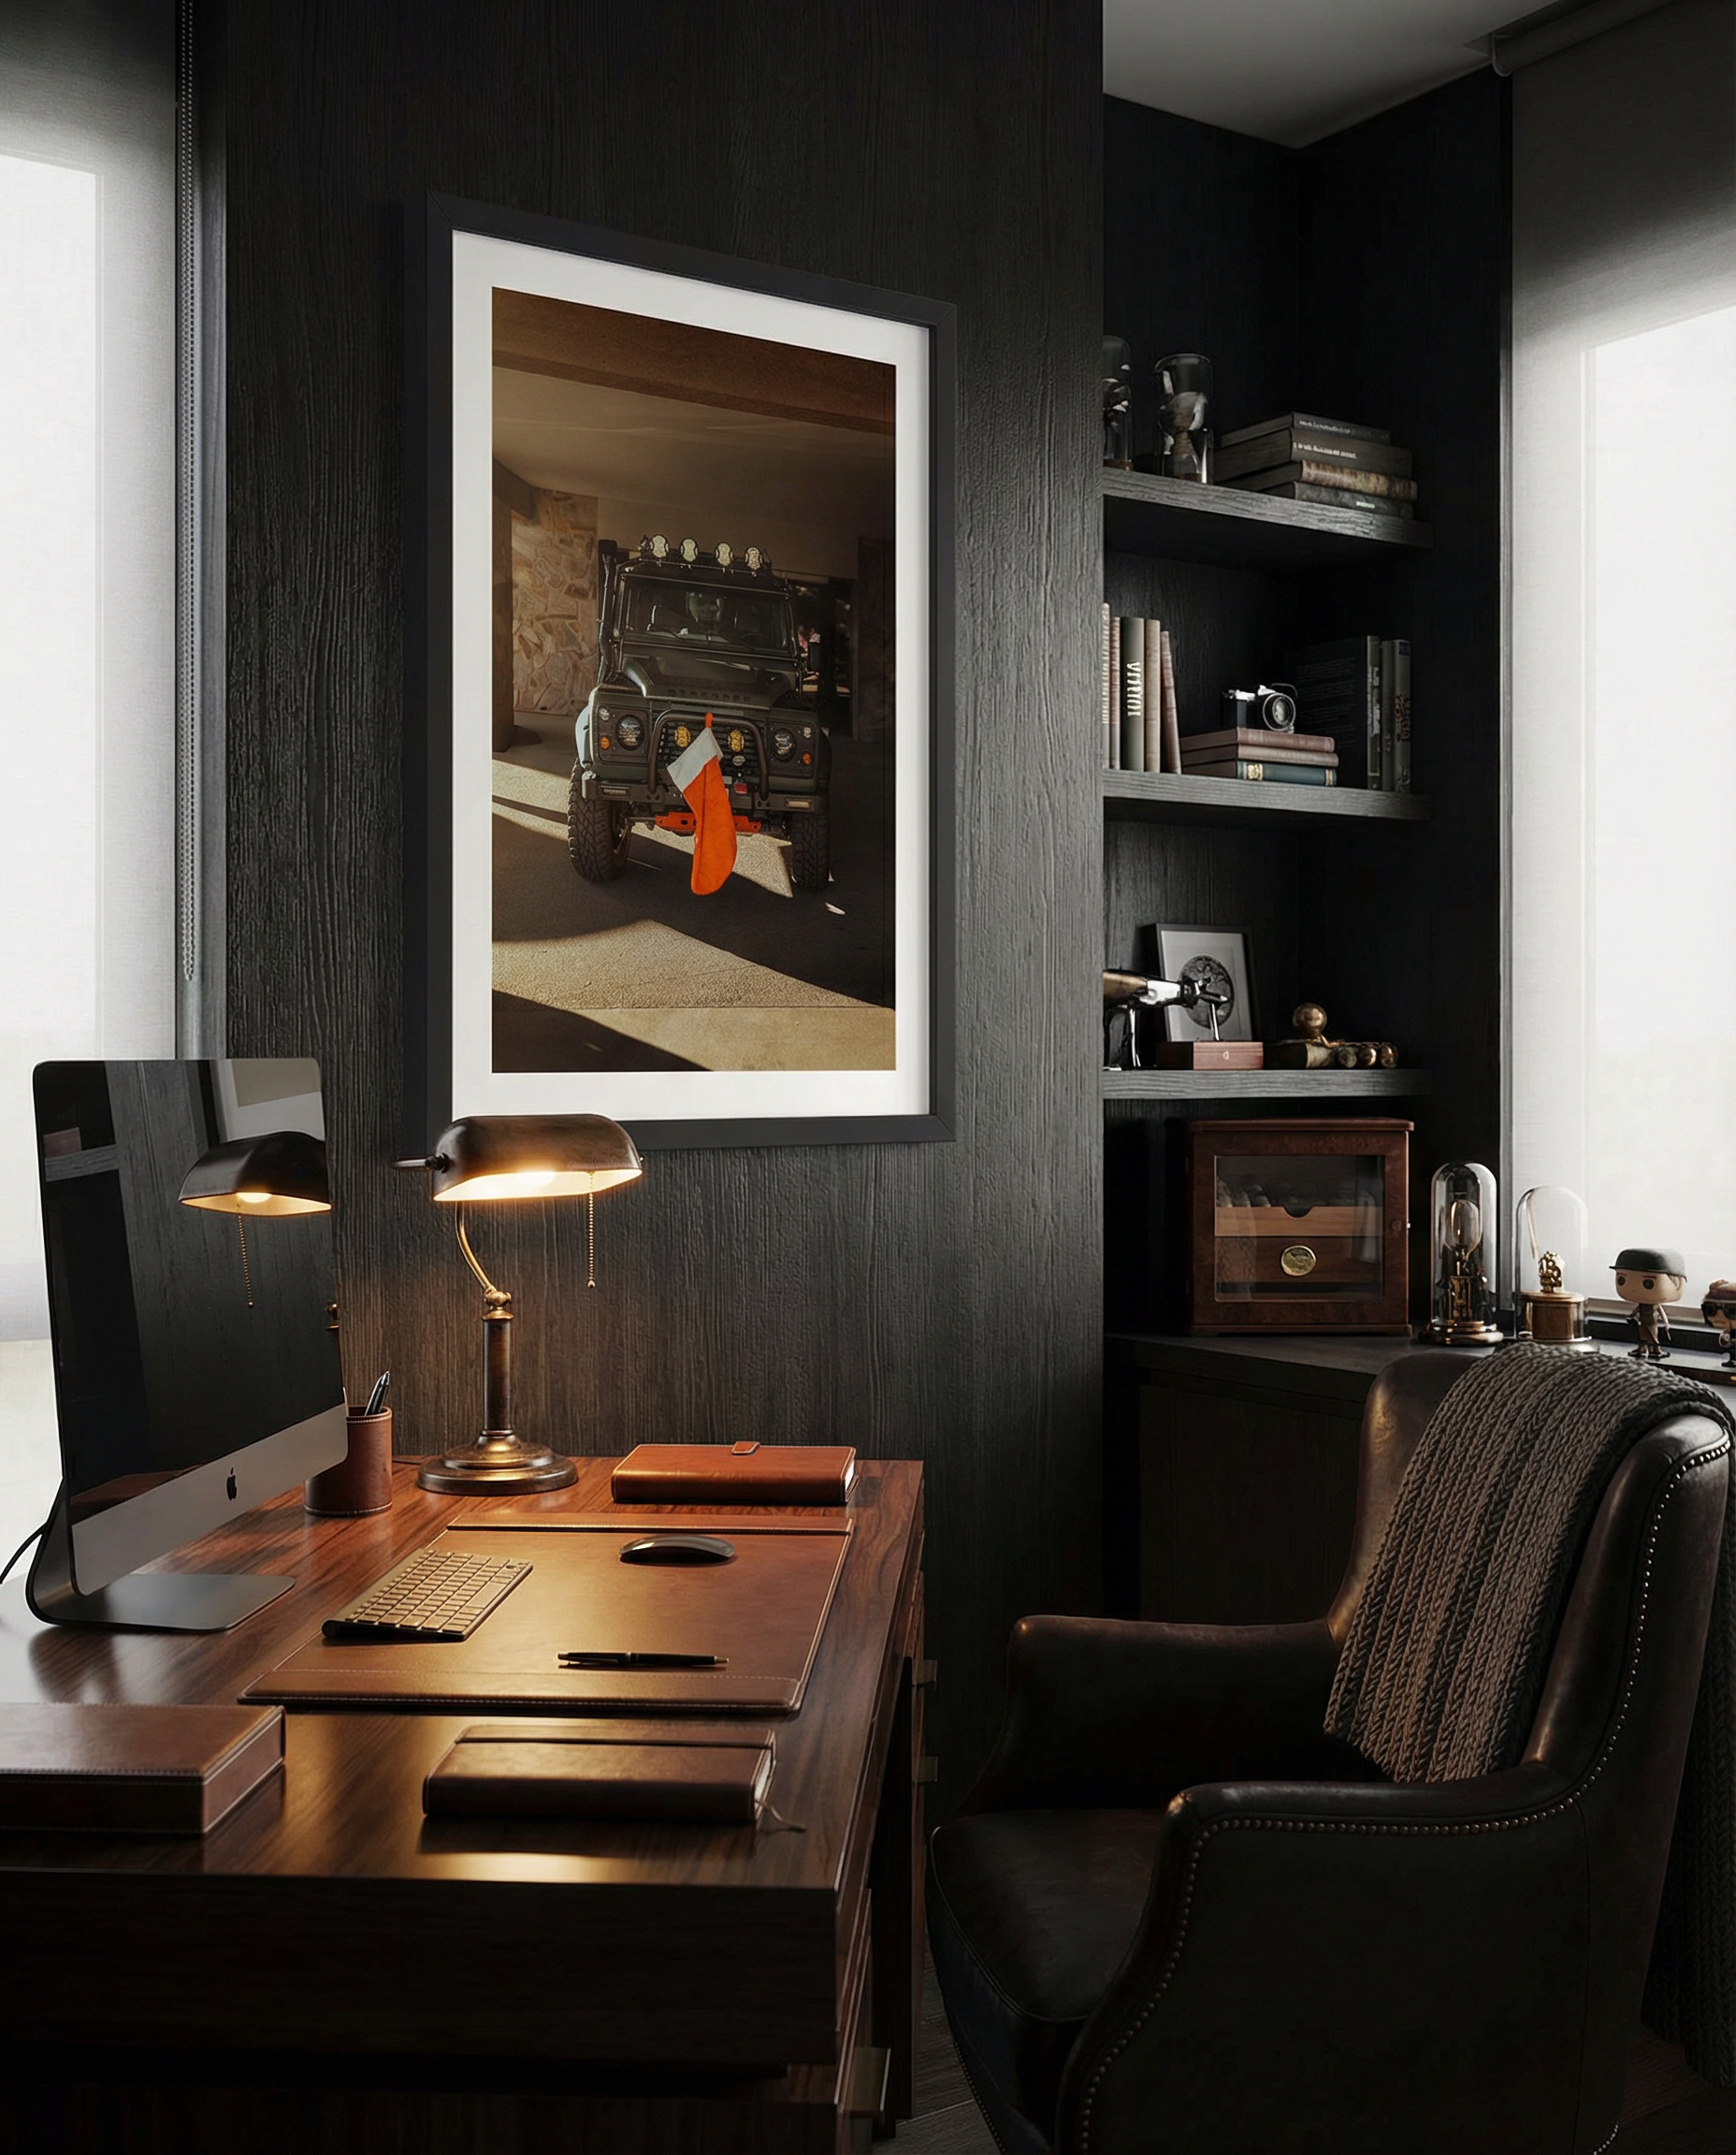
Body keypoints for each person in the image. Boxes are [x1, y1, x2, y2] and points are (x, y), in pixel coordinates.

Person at [1612, 1246, 1688, 1361]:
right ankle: (1642, 1348)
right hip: (1642, 1322)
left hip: (1651, 1322)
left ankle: (1655, 1350)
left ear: (1678, 1283)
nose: (1634, 1289)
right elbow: (1637, 1310)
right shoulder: (1643, 1305)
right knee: (1643, 1336)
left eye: (1648, 1283)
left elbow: (1660, 1311)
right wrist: (1632, 1316)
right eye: (1621, 1280)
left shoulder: (1654, 1304)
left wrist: (1666, 1324)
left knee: (1652, 1337)